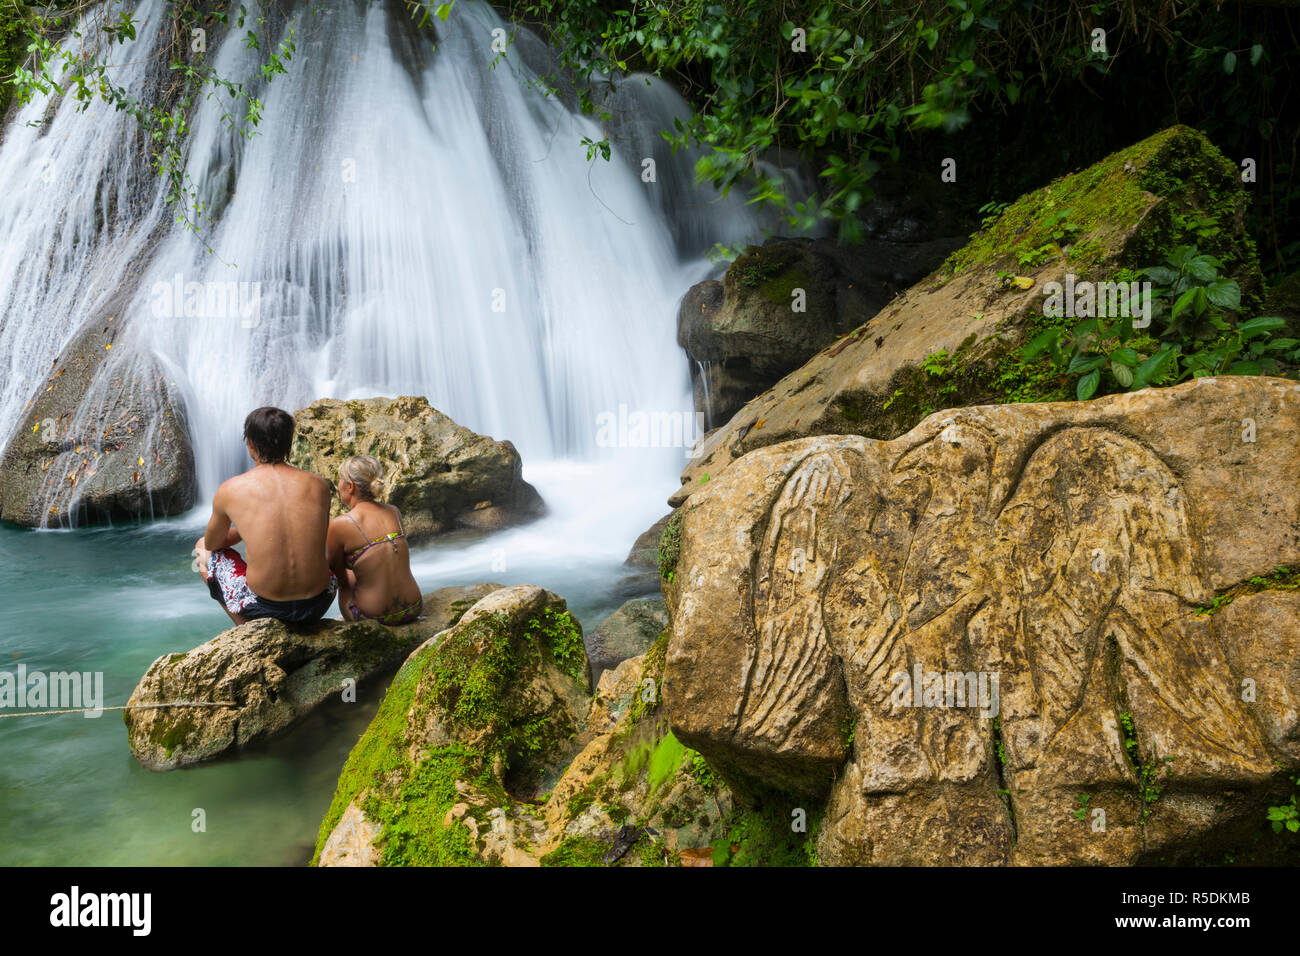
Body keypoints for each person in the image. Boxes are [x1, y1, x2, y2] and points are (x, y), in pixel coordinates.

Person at [194, 407, 336, 625]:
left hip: (264, 608)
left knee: (202, 548)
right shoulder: (319, 485)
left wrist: (243, 531)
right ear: (290, 443)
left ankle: (246, 627)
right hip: (319, 602)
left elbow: (213, 543)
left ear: (250, 444)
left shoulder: (230, 490)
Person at [326, 455, 423, 624]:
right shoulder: (394, 511)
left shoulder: (340, 524)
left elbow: (339, 577)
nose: (338, 485)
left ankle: (348, 617)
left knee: (344, 575)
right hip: (413, 607)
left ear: (350, 486)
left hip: (374, 617)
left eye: (340, 479)